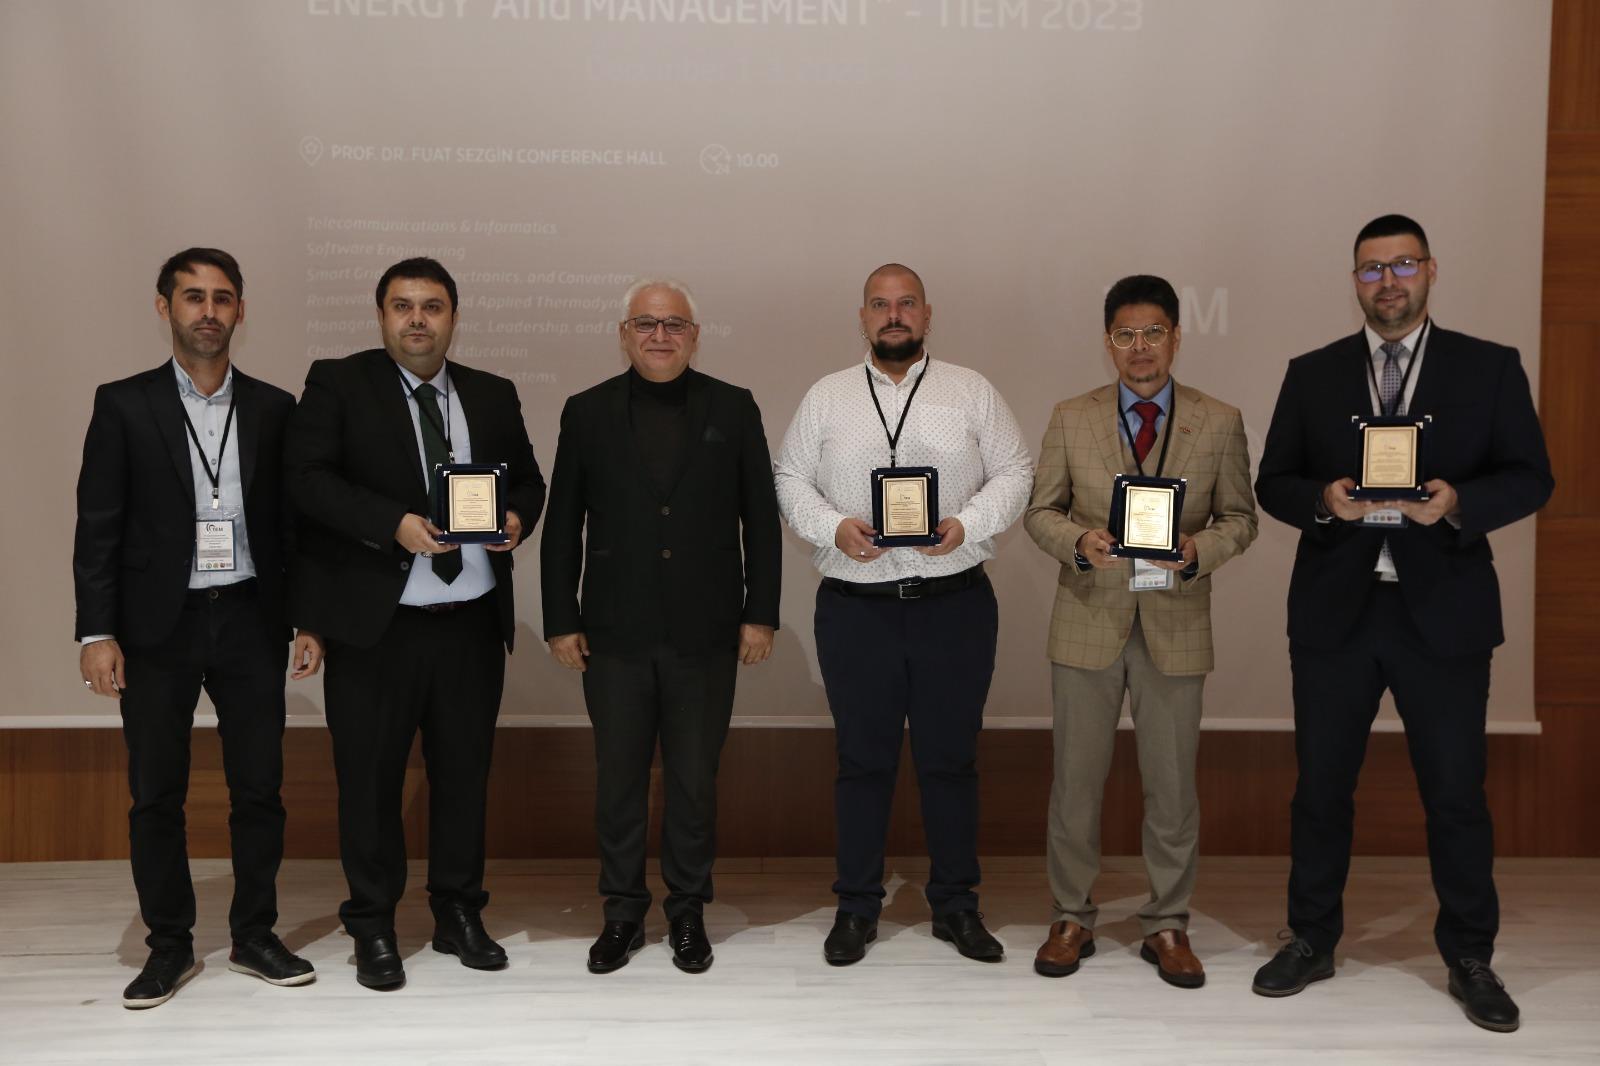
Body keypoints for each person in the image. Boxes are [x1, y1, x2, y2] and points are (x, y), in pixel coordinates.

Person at [1252, 215, 1553, 1032]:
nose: (1387, 282)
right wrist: (1323, 500)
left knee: (1455, 794)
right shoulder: (1312, 373)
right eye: (1371, 269)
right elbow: (1273, 480)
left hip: (1444, 614)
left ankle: (1470, 955)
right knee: (1321, 789)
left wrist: (1460, 503)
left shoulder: (1488, 367)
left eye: (1402, 265)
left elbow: (1532, 476)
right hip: (1337, 615)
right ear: (1354, 281)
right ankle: (1311, 937)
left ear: (1430, 271)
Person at [285, 257, 545, 990]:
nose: (418, 319)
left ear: (454, 318)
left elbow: (528, 480)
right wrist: (390, 523)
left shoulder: (492, 393)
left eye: (432, 306)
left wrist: (516, 519)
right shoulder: (340, 383)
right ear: (381, 316)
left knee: (463, 777)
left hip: (471, 625)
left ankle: (459, 913)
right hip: (378, 628)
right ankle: (372, 924)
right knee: (369, 783)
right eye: (402, 306)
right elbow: (307, 480)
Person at [73, 248, 322, 1008]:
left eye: (222, 298)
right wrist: (96, 632)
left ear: (241, 311)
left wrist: (307, 619)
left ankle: (254, 935)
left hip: (250, 616)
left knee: (259, 789)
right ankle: (169, 945)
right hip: (158, 625)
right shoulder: (123, 404)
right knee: (157, 794)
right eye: (192, 297)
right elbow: (98, 525)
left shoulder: (275, 407)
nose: (208, 311)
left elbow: (293, 528)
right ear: (165, 308)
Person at [773, 263, 1033, 965]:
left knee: (951, 761)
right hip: (857, 610)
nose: (894, 315)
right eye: (880, 305)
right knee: (862, 763)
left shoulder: (970, 390)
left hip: (954, 604)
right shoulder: (827, 396)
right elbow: (789, 477)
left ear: (927, 314)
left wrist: (969, 524)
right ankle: (856, 906)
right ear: (862, 317)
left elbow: (1016, 470)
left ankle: (956, 905)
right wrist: (832, 528)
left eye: (906, 303)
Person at [541, 278, 782, 975]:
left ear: (694, 336)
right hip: (612, 634)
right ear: (624, 334)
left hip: (706, 633)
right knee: (618, 780)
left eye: (674, 324)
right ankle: (621, 911)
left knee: (693, 783)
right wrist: (561, 619)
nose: (660, 335)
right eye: (646, 323)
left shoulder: (733, 407)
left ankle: (687, 911)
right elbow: (563, 524)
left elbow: (761, 520)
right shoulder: (586, 411)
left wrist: (760, 612)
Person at [1022, 275, 1257, 988]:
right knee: (1075, 785)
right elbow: (1040, 512)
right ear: (1108, 343)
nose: (1140, 347)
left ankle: (1168, 922)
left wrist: (1197, 550)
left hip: (1175, 623)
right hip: (1088, 618)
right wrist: (1078, 542)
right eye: (1125, 335)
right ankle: (1070, 916)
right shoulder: (1072, 417)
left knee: (1173, 787)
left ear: (1177, 337)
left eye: (1153, 332)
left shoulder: (1219, 420)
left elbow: (1241, 519)